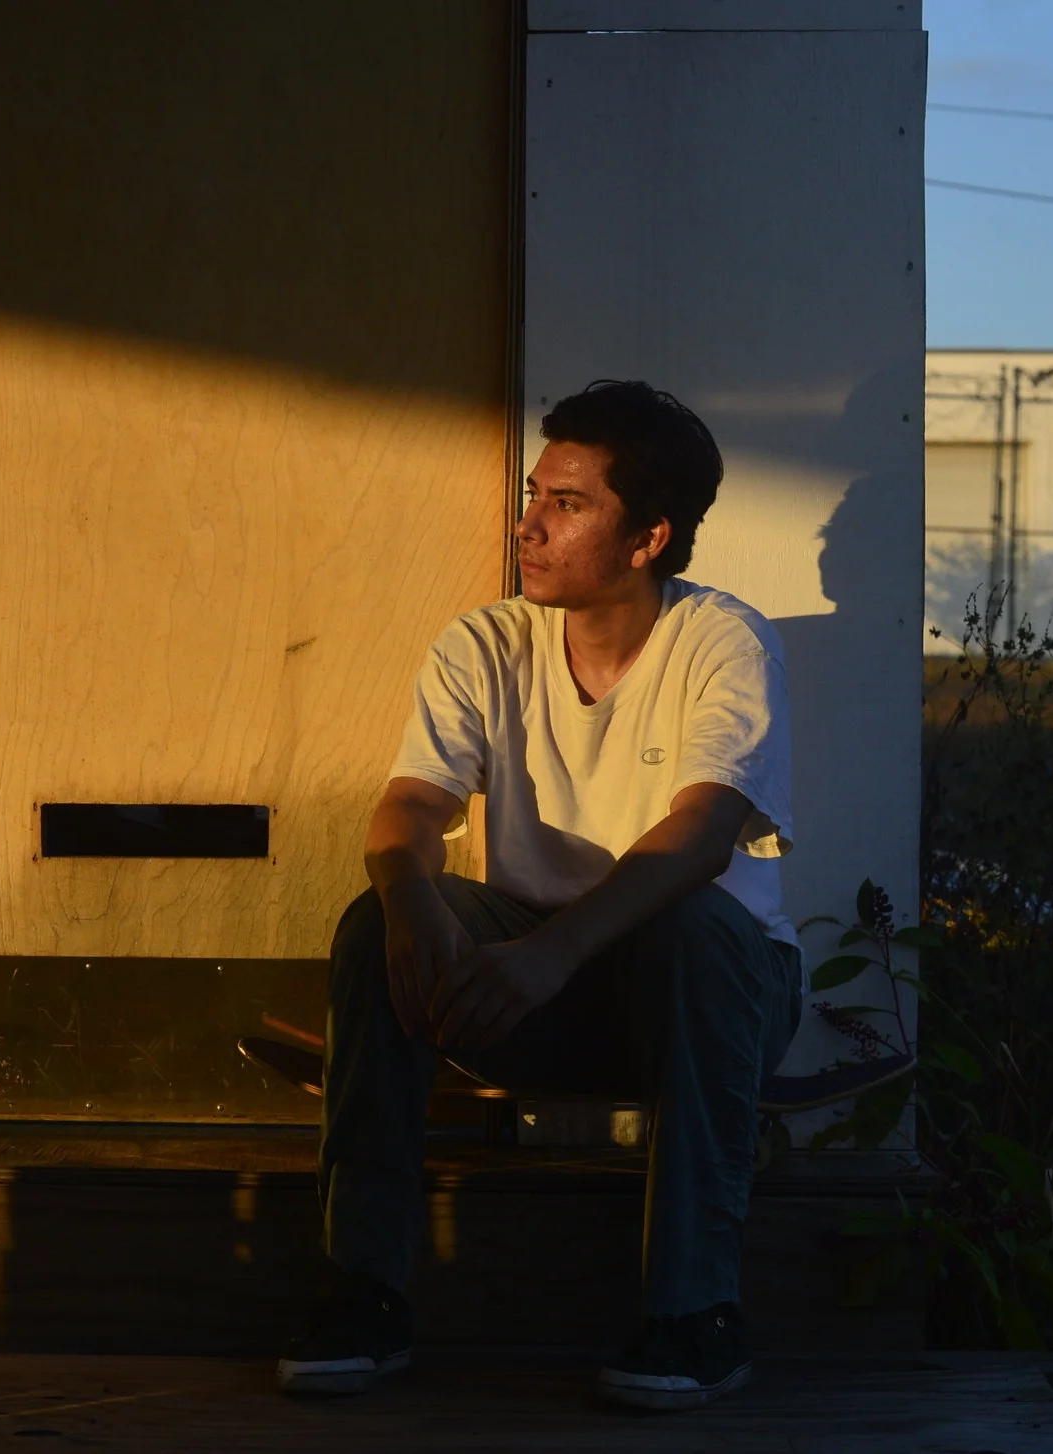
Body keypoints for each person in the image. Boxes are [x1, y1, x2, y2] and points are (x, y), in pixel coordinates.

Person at [276, 381, 803, 1410]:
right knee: (369, 919)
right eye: (532, 492)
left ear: (648, 535)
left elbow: (699, 836)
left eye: (567, 503)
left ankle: (695, 1311)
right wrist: (411, 893)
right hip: (535, 989)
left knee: (689, 923)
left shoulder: (724, 642)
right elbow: (409, 806)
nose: (528, 523)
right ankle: (363, 1291)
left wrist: (551, 950)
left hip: (704, 995)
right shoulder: (484, 643)